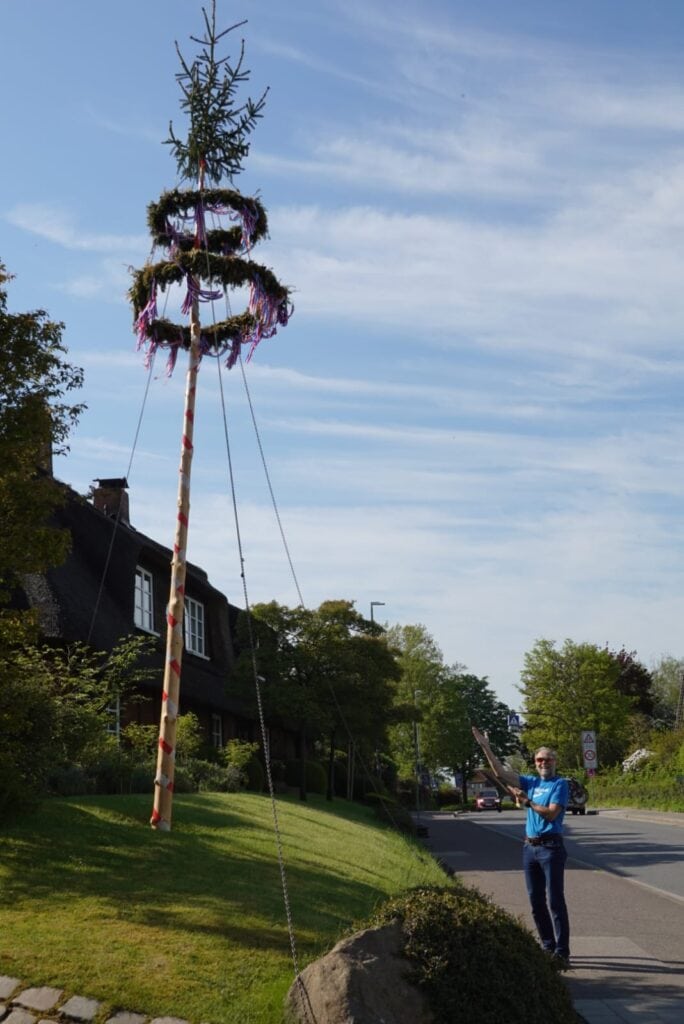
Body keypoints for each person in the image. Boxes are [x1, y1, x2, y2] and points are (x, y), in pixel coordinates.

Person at [471, 725, 571, 966]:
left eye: (547, 759)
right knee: (536, 901)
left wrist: (527, 801)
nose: (543, 763)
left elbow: (550, 814)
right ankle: (547, 946)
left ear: (554, 761)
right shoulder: (531, 781)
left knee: (555, 901)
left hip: (551, 848)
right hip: (530, 848)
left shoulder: (560, 784)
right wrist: (486, 747)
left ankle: (562, 951)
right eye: (539, 759)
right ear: (535, 762)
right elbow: (500, 772)